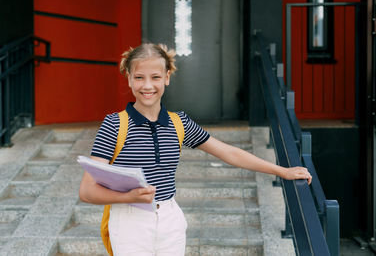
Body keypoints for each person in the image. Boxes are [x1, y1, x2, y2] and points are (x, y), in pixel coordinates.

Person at [79, 43, 312, 256]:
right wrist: (128, 196)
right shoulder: (114, 125)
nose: (147, 85)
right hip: (129, 220)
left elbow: (228, 152)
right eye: (139, 77)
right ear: (128, 78)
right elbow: (87, 191)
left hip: (170, 219)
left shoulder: (179, 123)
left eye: (155, 77)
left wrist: (282, 171)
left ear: (167, 77)